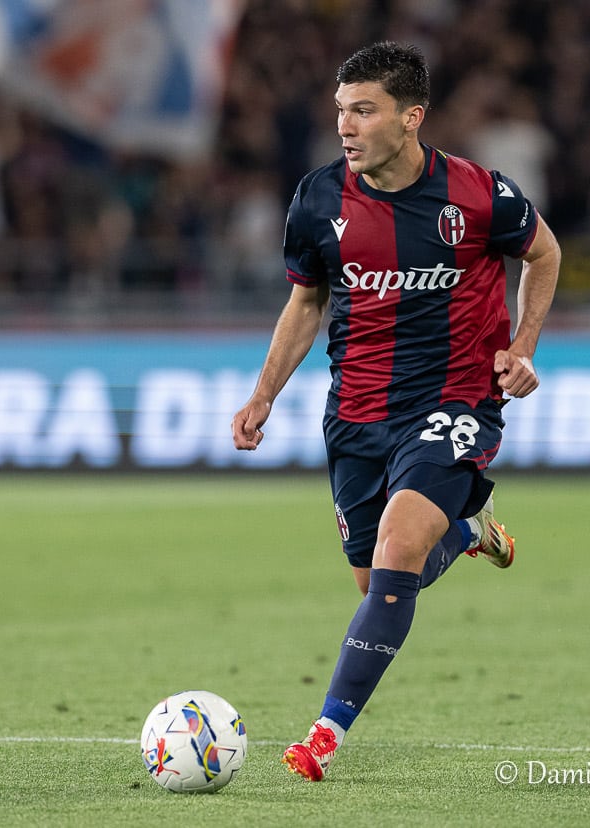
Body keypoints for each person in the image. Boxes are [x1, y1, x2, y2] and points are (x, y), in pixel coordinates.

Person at [230, 41, 561, 781]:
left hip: (455, 401)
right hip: (356, 412)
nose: (346, 126)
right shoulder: (318, 198)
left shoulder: (478, 194)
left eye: (364, 111)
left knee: (402, 545)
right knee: (376, 581)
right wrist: (263, 394)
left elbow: (544, 254)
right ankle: (469, 532)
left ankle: (323, 734)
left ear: (411, 118)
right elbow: (307, 300)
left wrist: (524, 347)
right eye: (341, 111)